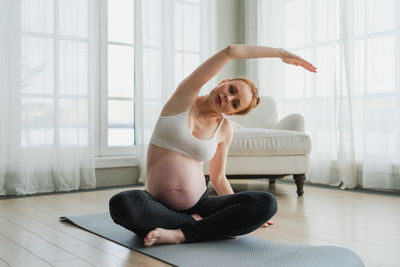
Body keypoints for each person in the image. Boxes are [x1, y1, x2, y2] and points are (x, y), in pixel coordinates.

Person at [109, 45, 317, 247]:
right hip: (155, 202)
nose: (228, 97)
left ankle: (181, 234)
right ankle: (199, 225)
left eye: (235, 103)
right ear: (224, 81)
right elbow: (229, 52)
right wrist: (281, 54)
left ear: (233, 113)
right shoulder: (183, 98)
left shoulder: (225, 129)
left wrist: (244, 211)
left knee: (267, 203)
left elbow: (218, 178)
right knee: (122, 204)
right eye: (231, 89)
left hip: (201, 204)